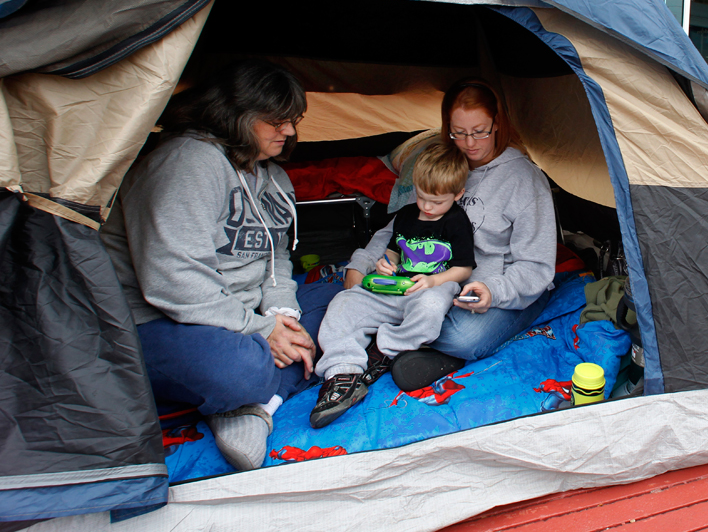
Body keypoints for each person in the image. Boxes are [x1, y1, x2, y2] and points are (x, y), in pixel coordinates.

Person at [101, 60, 331, 471]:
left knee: (347, 296)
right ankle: (255, 391)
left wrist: (281, 314)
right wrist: (262, 330)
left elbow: (278, 258)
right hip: (161, 322)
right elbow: (174, 281)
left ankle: (254, 406)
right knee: (239, 370)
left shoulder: (275, 177)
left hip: (244, 319)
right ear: (238, 115)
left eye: (292, 120)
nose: (290, 132)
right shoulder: (185, 162)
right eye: (277, 121)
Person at [340, 79, 557, 392]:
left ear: (497, 123)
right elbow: (398, 228)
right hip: (437, 285)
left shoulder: (523, 180)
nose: (470, 143)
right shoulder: (444, 165)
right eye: (459, 132)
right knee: (375, 304)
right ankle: (419, 344)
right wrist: (362, 263)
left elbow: (535, 267)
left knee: (462, 337)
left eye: (480, 130)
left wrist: (492, 291)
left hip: (500, 291)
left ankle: (436, 350)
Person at [309, 142, 475, 427]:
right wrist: (385, 262)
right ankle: (343, 372)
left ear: (458, 194)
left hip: (433, 286)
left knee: (431, 307)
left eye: (437, 202)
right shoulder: (408, 215)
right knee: (344, 303)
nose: (427, 207)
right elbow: (394, 249)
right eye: (422, 198)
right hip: (396, 285)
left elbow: (464, 268)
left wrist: (434, 280)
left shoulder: (457, 222)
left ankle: (384, 351)